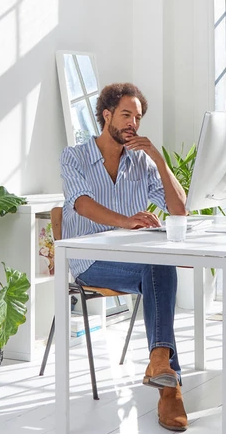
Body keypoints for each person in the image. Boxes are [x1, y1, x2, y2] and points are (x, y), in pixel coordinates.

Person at [59, 82, 190, 432]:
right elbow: (80, 203)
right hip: (89, 259)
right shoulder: (74, 157)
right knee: (156, 266)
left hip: (132, 260)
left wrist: (158, 159)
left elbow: (180, 210)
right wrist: (126, 221)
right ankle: (170, 390)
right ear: (107, 115)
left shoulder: (141, 162)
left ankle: (161, 365)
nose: (133, 123)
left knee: (158, 264)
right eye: (126, 115)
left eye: (138, 117)